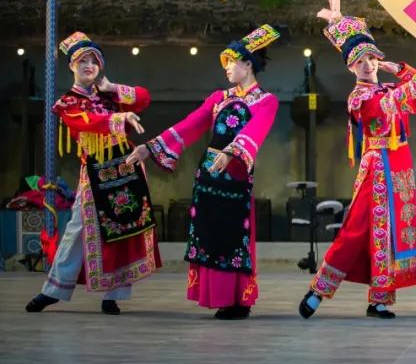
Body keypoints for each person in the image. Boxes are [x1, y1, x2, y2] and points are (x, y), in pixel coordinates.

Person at [128, 25, 280, 320]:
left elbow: (255, 131)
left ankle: (238, 301)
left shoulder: (266, 101)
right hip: (208, 176)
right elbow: (190, 125)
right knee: (209, 234)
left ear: (248, 64)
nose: (226, 69)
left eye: (231, 62)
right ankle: (219, 297)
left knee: (234, 236)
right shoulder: (218, 98)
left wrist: (232, 152)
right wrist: (150, 147)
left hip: (236, 177)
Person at [299, 12, 416, 320]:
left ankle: (380, 300)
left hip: (399, 166)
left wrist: (399, 68)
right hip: (378, 166)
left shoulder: (386, 88)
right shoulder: (359, 97)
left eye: (372, 58)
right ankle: (319, 289)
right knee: (357, 229)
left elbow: (410, 96)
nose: (368, 64)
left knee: (389, 233)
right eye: (360, 61)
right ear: (350, 67)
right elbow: (389, 105)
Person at [26, 32, 160, 315]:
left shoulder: (110, 95)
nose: (89, 66)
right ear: (71, 66)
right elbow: (88, 121)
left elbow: (144, 98)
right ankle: (53, 290)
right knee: (77, 229)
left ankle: (113, 296)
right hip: (96, 170)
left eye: (94, 61)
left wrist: (112, 87)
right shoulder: (67, 103)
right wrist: (120, 117)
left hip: (126, 167)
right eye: (82, 61)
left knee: (125, 228)